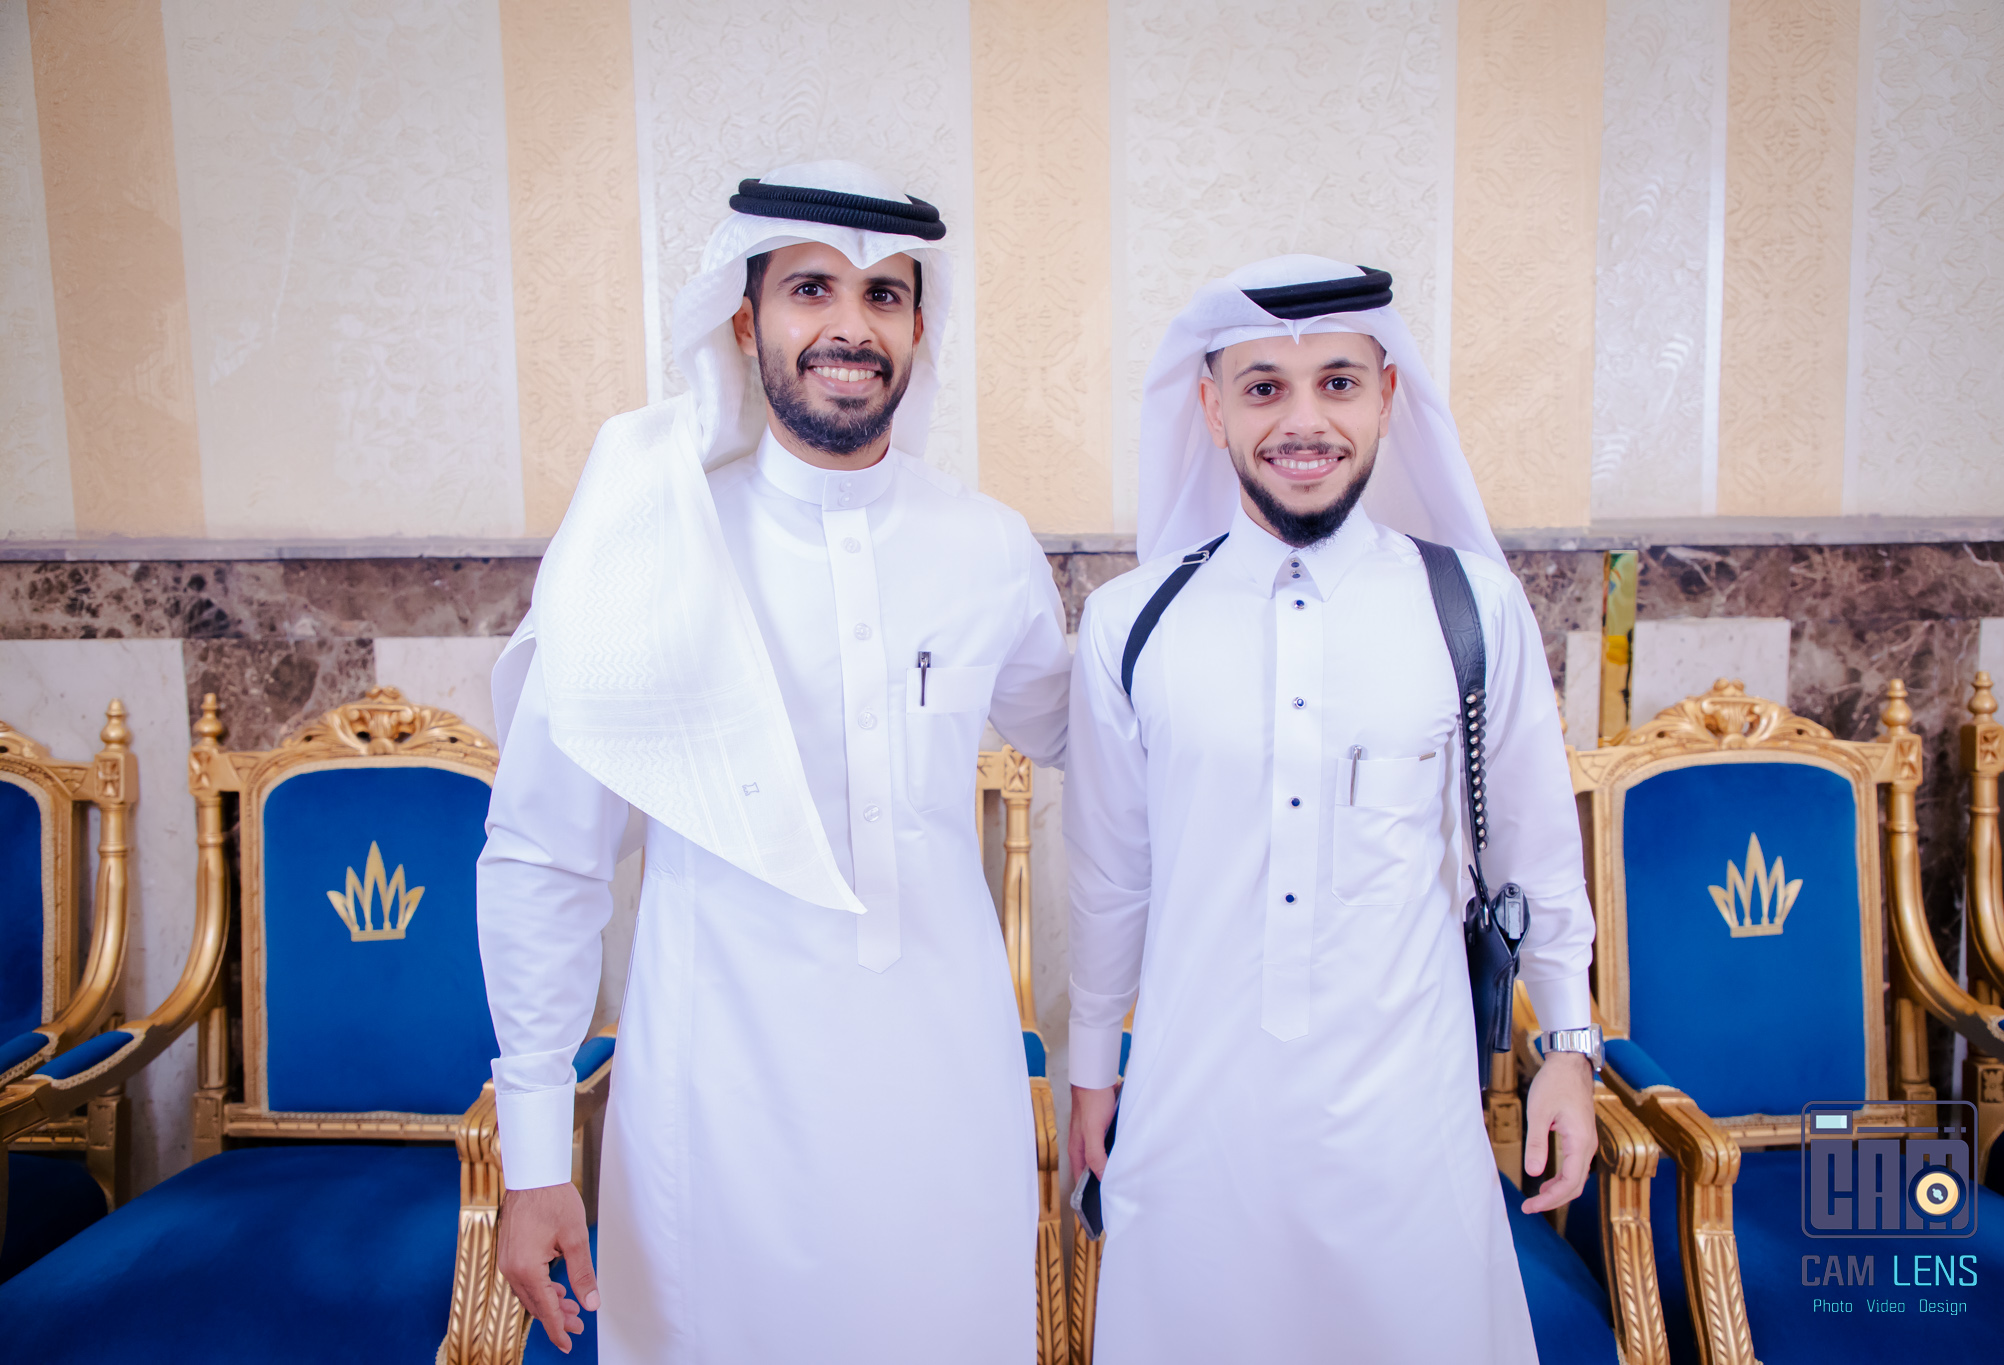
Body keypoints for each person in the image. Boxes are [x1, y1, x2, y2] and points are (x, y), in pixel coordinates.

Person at [477, 162, 1070, 1363]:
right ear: (744, 322)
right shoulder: (646, 548)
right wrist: (533, 1157)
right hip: (718, 1112)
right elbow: (544, 853)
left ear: (917, 330)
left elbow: (1082, 736)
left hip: (946, 1103)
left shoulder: (989, 550)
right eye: (811, 289)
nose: (850, 325)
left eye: (884, 294)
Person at [1063, 256, 1600, 1362]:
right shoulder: (1131, 623)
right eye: (1263, 386)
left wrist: (1569, 1047)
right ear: (1210, 407)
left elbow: (1535, 848)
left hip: (1407, 1133)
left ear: (1387, 397)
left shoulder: (1471, 605)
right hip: (1194, 1124)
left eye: (1338, 383)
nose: (1303, 421)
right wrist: (1090, 1070)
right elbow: (1111, 874)